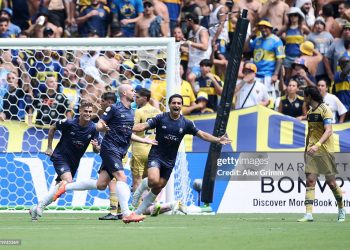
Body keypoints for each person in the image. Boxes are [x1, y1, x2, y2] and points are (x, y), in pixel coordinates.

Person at [52, 84, 156, 223]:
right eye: (132, 90)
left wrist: (143, 140)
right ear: (124, 93)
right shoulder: (114, 108)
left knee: (101, 185)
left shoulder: (132, 112)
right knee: (122, 178)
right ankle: (126, 214)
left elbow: (127, 133)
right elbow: (100, 124)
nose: (134, 92)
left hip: (120, 151)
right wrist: (102, 127)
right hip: (110, 148)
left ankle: (66, 187)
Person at [131, 93, 231, 215]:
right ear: (169, 105)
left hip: (169, 161)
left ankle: (137, 213)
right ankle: (138, 191)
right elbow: (144, 126)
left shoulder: (186, 123)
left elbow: (202, 134)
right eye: (174, 103)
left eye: (179, 103)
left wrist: (217, 139)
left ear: (182, 106)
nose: (176, 105)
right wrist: (127, 128)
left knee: (159, 187)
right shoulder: (161, 118)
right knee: (153, 180)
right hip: (156, 155)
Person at [29, 101, 101, 221]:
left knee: (59, 188)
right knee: (67, 181)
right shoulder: (69, 122)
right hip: (60, 156)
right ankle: (41, 206)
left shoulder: (93, 128)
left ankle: (35, 208)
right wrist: (49, 147)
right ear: (80, 111)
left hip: (74, 162)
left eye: (90, 112)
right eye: (85, 111)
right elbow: (52, 127)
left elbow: (96, 150)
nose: (88, 114)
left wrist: (96, 147)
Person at [297, 86, 345, 223]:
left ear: (309, 97)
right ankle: (308, 214)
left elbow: (328, 131)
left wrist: (317, 145)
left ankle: (341, 208)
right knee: (310, 180)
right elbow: (310, 132)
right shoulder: (310, 112)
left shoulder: (325, 110)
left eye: (304, 95)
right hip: (312, 151)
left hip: (324, 150)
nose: (303, 98)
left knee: (330, 183)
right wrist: (306, 149)